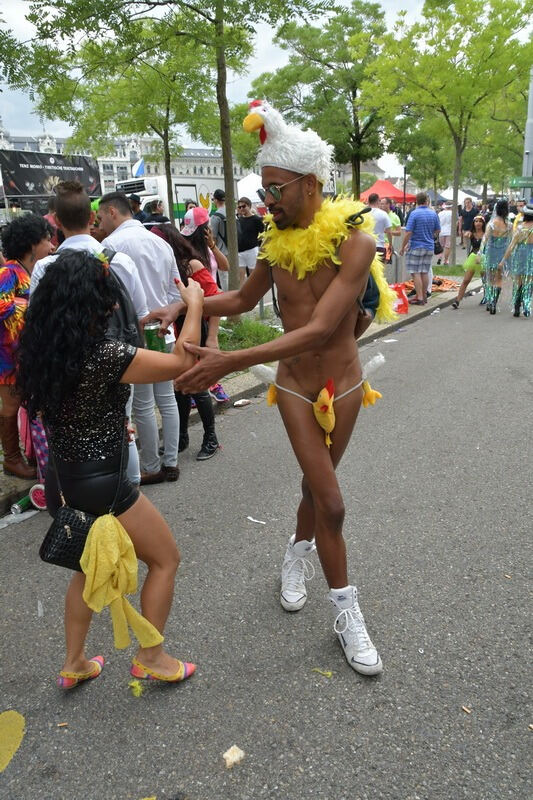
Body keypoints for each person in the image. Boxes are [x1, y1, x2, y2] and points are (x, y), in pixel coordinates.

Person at [144, 100, 398, 676]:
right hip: (296, 390)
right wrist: (184, 305)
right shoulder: (275, 243)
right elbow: (240, 299)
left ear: (309, 184)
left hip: (346, 386)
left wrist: (230, 360)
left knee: (316, 490)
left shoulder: (356, 242)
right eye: (263, 190)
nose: (267, 201)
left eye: (275, 189)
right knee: (332, 501)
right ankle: (347, 612)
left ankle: (295, 551)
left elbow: (322, 328)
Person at [17, 250, 203, 687]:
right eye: (107, 294)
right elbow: (181, 363)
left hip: (65, 482)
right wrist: (193, 306)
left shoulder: (46, 354)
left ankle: (75, 662)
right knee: (165, 560)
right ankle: (152, 656)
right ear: (94, 303)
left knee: (87, 570)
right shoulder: (104, 354)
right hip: (106, 486)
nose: (114, 303)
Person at [31, 180, 149, 488]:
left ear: (56, 221)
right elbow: (140, 314)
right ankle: (128, 492)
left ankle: (82, 499)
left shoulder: (45, 268)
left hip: (65, 368)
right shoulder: (120, 261)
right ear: (92, 217)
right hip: (117, 361)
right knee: (122, 426)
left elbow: (37, 325)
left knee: (71, 436)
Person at [98, 192, 181, 484]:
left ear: (112, 212)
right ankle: (170, 461)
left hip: (135, 333)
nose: (100, 224)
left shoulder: (110, 247)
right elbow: (175, 290)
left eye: (101, 217)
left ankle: (152, 464)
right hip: (164, 328)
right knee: (166, 398)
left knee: (144, 403)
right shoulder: (160, 242)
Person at [152, 224, 221, 459]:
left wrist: (212, 338)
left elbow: (216, 299)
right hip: (175, 330)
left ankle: (211, 438)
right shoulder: (164, 265)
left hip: (195, 329)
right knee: (179, 386)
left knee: (197, 386)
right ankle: (181, 437)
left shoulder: (192, 265)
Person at [0, 214, 53, 478]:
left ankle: (30, 453)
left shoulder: (31, 272)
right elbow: (2, 307)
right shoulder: (9, 272)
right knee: (11, 406)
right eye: (47, 240)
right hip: (8, 357)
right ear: (32, 244)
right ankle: (12, 458)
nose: (52, 246)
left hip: (24, 354)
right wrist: (35, 308)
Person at [180, 206, 230, 404]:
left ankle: (212, 385)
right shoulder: (188, 256)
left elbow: (225, 266)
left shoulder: (207, 249)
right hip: (200, 306)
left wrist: (213, 246)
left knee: (208, 347)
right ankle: (196, 389)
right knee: (199, 348)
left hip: (212, 305)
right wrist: (212, 336)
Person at [399, 192, 440, 305]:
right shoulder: (433, 213)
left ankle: (419, 297)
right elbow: (438, 230)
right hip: (429, 246)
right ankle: (425, 295)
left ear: (416, 201)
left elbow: (408, 232)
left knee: (415, 272)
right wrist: (429, 234)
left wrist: (403, 246)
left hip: (416, 246)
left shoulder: (414, 214)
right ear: (427, 201)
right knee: (424, 271)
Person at [500, 203, 533, 317]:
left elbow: (511, 246)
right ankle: (526, 306)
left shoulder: (519, 228)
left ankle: (517, 306)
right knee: (529, 282)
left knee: (518, 282)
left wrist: (503, 260)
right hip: (531, 257)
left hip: (519, 256)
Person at [481, 199, 512, 315]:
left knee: (490, 278)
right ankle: (494, 301)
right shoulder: (509, 225)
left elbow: (485, 239)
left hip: (491, 252)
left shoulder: (492, 224)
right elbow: (511, 242)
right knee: (499, 279)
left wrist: (480, 253)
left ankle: (490, 300)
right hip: (503, 253)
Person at [451, 215, 486, 309]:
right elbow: (466, 238)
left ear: (483, 223)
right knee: (466, 280)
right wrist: (465, 235)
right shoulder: (471, 234)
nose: (478, 223)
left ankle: (487, 297)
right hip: (473, 257)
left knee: (485, 280)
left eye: (480, 221)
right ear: (473, 223)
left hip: (484, 258)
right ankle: (457, 300)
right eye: (476, 221)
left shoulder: (486, 234)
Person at [237, 197, 264, 285]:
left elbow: (263, 234)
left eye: (243, 206)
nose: (241, 208)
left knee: (253, 276)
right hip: (240, 251)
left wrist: (256, 241)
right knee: (240, 277)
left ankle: (256, 293)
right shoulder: (239, 220)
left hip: (252, 250)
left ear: (249, 206)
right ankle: (242, 293)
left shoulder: (256, 219)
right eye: (239, 207)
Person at [209, 189, 229, 291]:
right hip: (234, 249)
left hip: (222, 251)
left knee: (224, 276)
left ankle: (227, 296)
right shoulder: (232, 213)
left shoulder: (215, 217)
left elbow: (213, 238)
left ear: (216, 200)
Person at [367, 193, 392, 261]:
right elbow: (389, 231)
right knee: (379, 267)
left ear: (368, 201)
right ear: (378, 201)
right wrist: (390, 244)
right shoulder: (383, 214)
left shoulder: (364, 213)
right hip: (379, 246)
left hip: (366, 246)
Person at [437, 202, 453, 266]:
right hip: (449, 231)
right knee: (447, 246)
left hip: (441, 231)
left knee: (441, 246)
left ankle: (440, 257)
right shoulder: (452, 213)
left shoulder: (440, 213)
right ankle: (446, 260)